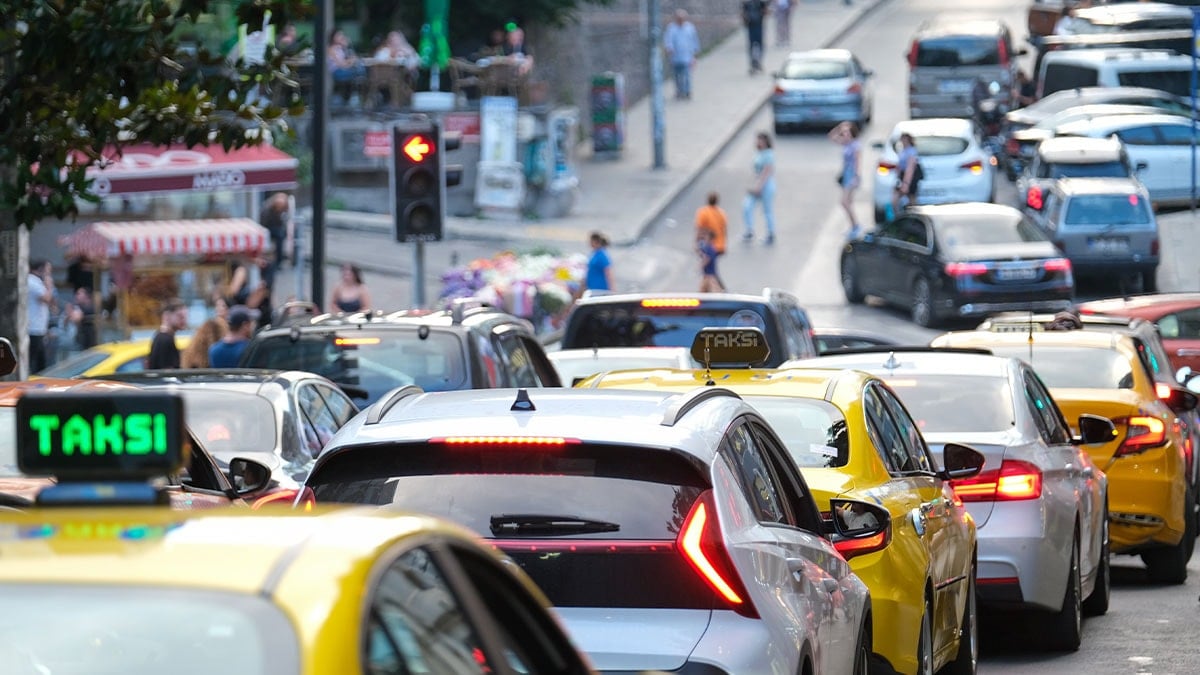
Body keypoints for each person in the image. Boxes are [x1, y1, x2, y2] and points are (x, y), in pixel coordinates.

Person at [829, 121, 863, 238]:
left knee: (845, 202)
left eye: (847, 132)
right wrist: (839, 127)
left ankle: (856, 225)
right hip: (846, 173)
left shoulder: (855, 145)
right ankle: (853, 226)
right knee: (848, 202)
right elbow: (831, 137)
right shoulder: (846, 143)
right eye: (843, 133)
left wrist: (856, 176)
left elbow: (858, 162)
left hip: (851, 174)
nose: (844, 135)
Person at [743, 132, 777, 244]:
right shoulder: (759, 153)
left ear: (766, 142)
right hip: (757, 182)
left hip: (766, 185)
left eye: (760, 140)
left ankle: (771, 233)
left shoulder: (768, 154)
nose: (758, 142)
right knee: (747, 206)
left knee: (767, 210)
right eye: (757, 140)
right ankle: (749, 230)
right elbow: (756, 171)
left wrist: (759, 187)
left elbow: (766, 172)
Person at [26, 259, 56, 373]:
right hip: (33, 329)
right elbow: (47, 298)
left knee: (41, 362)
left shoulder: (37, 282)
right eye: (48, 271)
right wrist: (49, 285)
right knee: (36, 361)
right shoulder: (32, 281)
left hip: (39, 328)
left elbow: (52, 303)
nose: (49, 274)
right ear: (40, 269)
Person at [664, 10, 700, 100]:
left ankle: (687, 92)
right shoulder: (671, 28)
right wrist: (669, 48)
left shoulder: (690, 28)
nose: (681, 20)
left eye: (683, 18)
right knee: (677, 76)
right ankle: (679, 91)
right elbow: (668, 40)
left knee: (687, 75)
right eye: (679, 18)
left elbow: (694, 40)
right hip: (675, 57)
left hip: (687, 56)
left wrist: (695, 54)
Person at [147, 298, 188, 370]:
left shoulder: (161, 337)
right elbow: (167, 371)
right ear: (167, 316)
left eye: (185, 317)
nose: (184, 320)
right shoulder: (165, 340)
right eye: (180, 316)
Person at [260, 192, 292, 277]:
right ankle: (277, 261)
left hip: (278, 229)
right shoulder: (267, 209)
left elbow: (284, 222)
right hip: (268, 228)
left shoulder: (284, 210)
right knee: (279, 237)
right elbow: (263, 223)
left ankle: (279, 261)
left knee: (281, 237)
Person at [891, 132, 920, 220]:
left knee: (911, 200)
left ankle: (913, 219)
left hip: (909, 178)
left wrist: (906, 183)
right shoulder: (903, 151)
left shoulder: (911, 151)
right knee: (899, 200)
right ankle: (902, 218)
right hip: (902, 177)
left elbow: (910, 169)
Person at [65, 287, 97, 351]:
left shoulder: (90, 308)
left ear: (86, 296)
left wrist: (69, 311)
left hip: (89, 342)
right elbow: (66, 322)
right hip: (82, 341)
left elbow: (75, 318)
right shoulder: (80, 307)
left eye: (79, 294)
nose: (76, 296)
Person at [741, 0, 768, 74]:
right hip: (758, 26)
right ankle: (757, 62)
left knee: (752, 45)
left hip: (751, 26)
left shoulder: (747, 3)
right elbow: (765, 12)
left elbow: (743, 15)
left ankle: (754, 63)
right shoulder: (760, 3)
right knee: (759, 45)